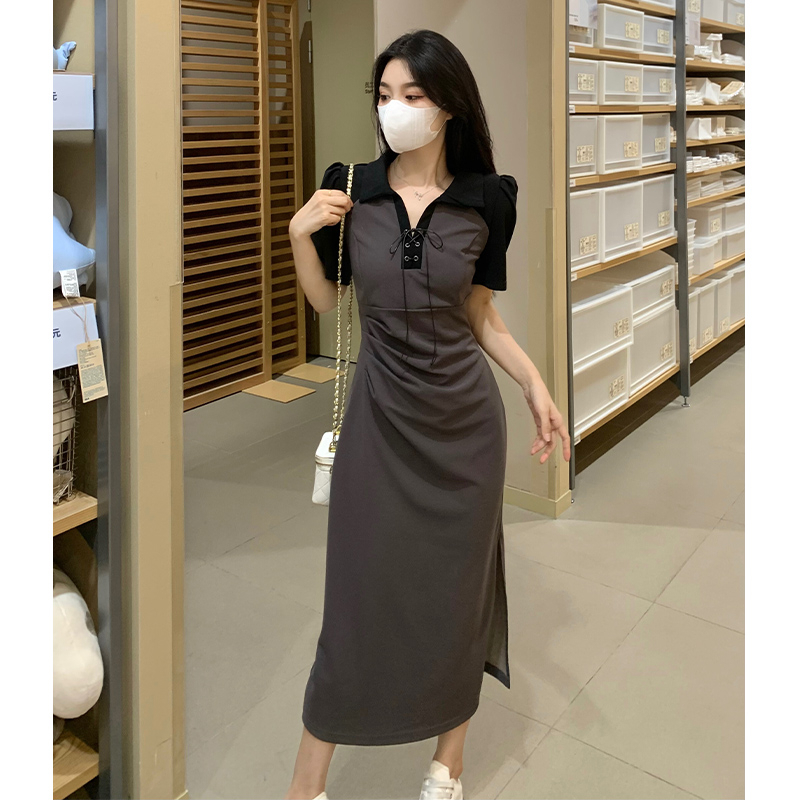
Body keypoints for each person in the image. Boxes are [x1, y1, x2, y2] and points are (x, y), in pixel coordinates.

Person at [287, 29, 570, 800]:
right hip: (379, 422)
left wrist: (534, 384)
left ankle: (450, 760)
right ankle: (305, 786)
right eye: (384, 95)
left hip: (464, 430)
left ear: (447, 105)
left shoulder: (489, 198)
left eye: (412, 95)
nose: (395, 109)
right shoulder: (350, 187)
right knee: (355, 599)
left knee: (456, 594)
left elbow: (479, 315)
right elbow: (326, 302)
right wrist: (299, 234)